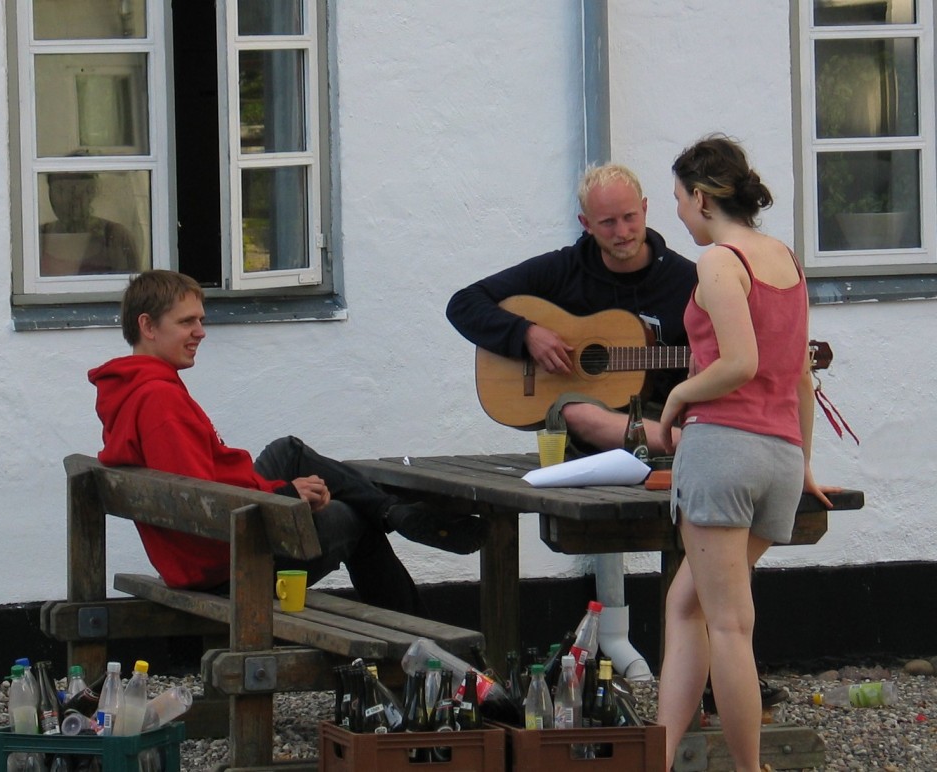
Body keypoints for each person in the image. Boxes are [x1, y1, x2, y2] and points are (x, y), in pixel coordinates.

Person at [88, 269, 489, 616]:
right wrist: (283, 495)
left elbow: (199, 488)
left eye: (200, 320)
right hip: (228, 561)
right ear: (148, 326)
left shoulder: (133, 387)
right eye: (186, 322)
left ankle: (392, 511)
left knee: (288, 451)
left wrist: (278, 490)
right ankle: (413, 644)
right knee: (352, 517)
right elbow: (203, 506)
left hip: (209, 543)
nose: (200, 332)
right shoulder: (159, 400)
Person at [446, 163, 697, 680]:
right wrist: (526, 334)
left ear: (646, 210)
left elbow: (719, 356)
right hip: (591, 430)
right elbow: (463, 304)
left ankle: (702, 671)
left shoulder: (687, 281)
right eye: (607, 223)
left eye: (629, 218)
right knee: (575, 409)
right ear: (585, 223)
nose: (622, 233)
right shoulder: (563, 270)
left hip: (663, 416)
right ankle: (669, 443)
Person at [653, 136, 837, 772]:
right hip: (780, 456)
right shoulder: (783, 258)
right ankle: (660, 754)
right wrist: (805, 461)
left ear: (701, 198)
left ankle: (748, 769)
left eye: (678, 200)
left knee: (728, 625)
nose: (676, 213)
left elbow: (741, 364)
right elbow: (798, 375)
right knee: (687, 605)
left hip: (724, 450)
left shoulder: (718, 262)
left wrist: (676, 394)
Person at [40, 171, 141, 276]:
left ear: (91, 192)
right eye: (60, 190)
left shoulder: (116, 237)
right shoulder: (37, 239)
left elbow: (135, 287)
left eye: (75, 190)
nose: (68, 199)